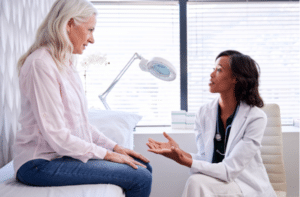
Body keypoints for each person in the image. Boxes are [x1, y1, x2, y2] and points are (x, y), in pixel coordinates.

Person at [13, 0, 152, 196]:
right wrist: (108, 155)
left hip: (60, 157)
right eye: (90, 30)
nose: (92, 39)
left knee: (143, 165)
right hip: (38, 164)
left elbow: (81, 126)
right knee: (140, 176)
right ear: (69, 24)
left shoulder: (66, 64)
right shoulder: (41, 64)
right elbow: (58, 136)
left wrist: (116, 148)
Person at [147, 50, 276, 197]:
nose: (211, 74)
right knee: (196, 181)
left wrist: (186, 161)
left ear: (236, 78)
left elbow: (229, 170)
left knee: (196, 182)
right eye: (213, 69)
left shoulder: (255, 118)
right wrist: (180, 153)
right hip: (218, 183)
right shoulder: (203, 113)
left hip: (245, 186)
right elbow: (206, 160)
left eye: (219, 70)